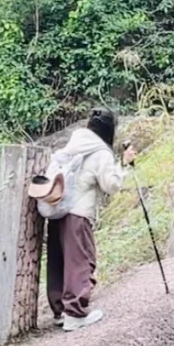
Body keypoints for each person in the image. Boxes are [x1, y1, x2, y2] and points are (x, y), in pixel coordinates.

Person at [39, 108, 135, 332]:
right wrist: (124, 164)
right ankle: (75, 313)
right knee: (81, 262)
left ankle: (59, 311)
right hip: (78, 215)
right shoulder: (100, 152)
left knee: (58, 261)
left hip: (57, 212)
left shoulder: (71, 146)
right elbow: (111, 185)